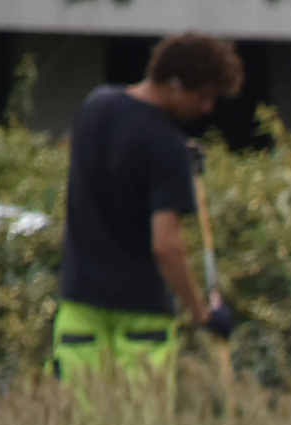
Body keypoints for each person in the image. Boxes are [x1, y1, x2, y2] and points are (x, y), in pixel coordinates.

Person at [53, 34, 242, 386]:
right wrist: (202, 313)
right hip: (140, 316)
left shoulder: (96, 107)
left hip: (79, 305)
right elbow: (166, 245)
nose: (207, 108)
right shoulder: (166, 147)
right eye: (203, 96)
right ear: (175, 84)